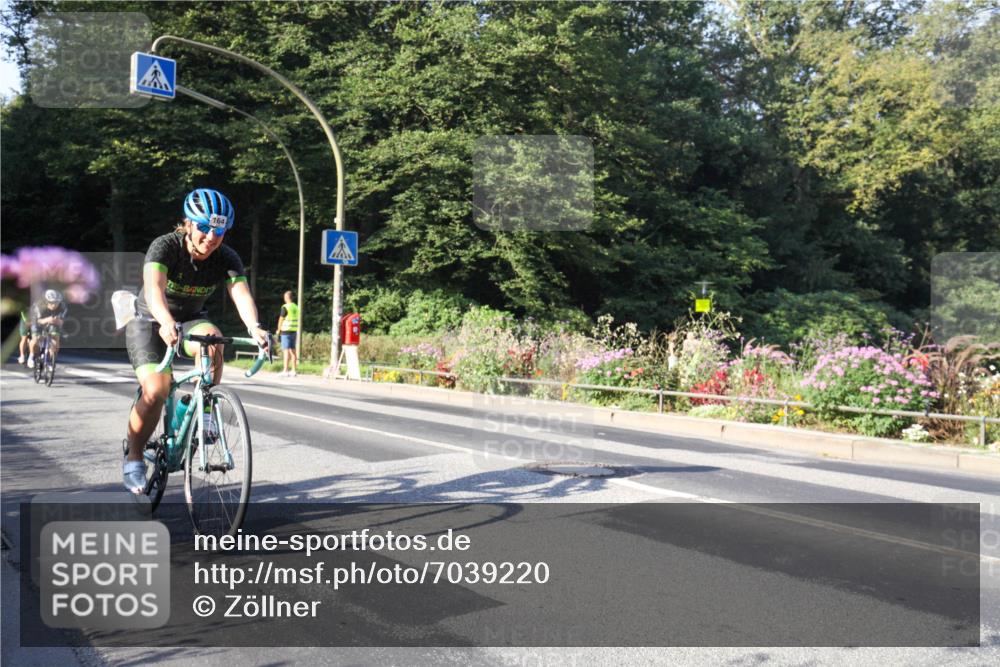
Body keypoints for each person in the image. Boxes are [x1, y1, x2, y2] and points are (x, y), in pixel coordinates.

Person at [122, 188, 269, 493]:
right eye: (203, 228)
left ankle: (204, 413)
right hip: (150, 321)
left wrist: (255, 327)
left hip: (190, 321)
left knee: (214, 339)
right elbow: (154, 289)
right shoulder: (164, 247)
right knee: (157, 389)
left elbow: (240, 293)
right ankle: (134, 458)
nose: (211, 237)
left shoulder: (226, 257)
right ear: (188, 224)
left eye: (219, 230)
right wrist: (164, 321)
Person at [27, 290, 67, 369]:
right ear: (46, 301)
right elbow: (36, 320)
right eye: (51, 302)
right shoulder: (39, 306)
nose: (54, 305)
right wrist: (46, 320)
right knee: (36, 338)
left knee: (55, 340)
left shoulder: (62, 307)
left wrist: (59, 321)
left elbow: (62, 320)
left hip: (53, 322)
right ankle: (31, 356)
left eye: (56, 302)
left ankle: (50, 359)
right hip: (38, 321)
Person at [275, 290, 299, 377]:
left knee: (286, 351)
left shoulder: (285, 307)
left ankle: (285, 370)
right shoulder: (296, 307)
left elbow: (281, 319)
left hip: (286, 330)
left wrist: (278, 329)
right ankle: (294, 370)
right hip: (294, 330)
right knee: (293, 351)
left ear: (286, 298)